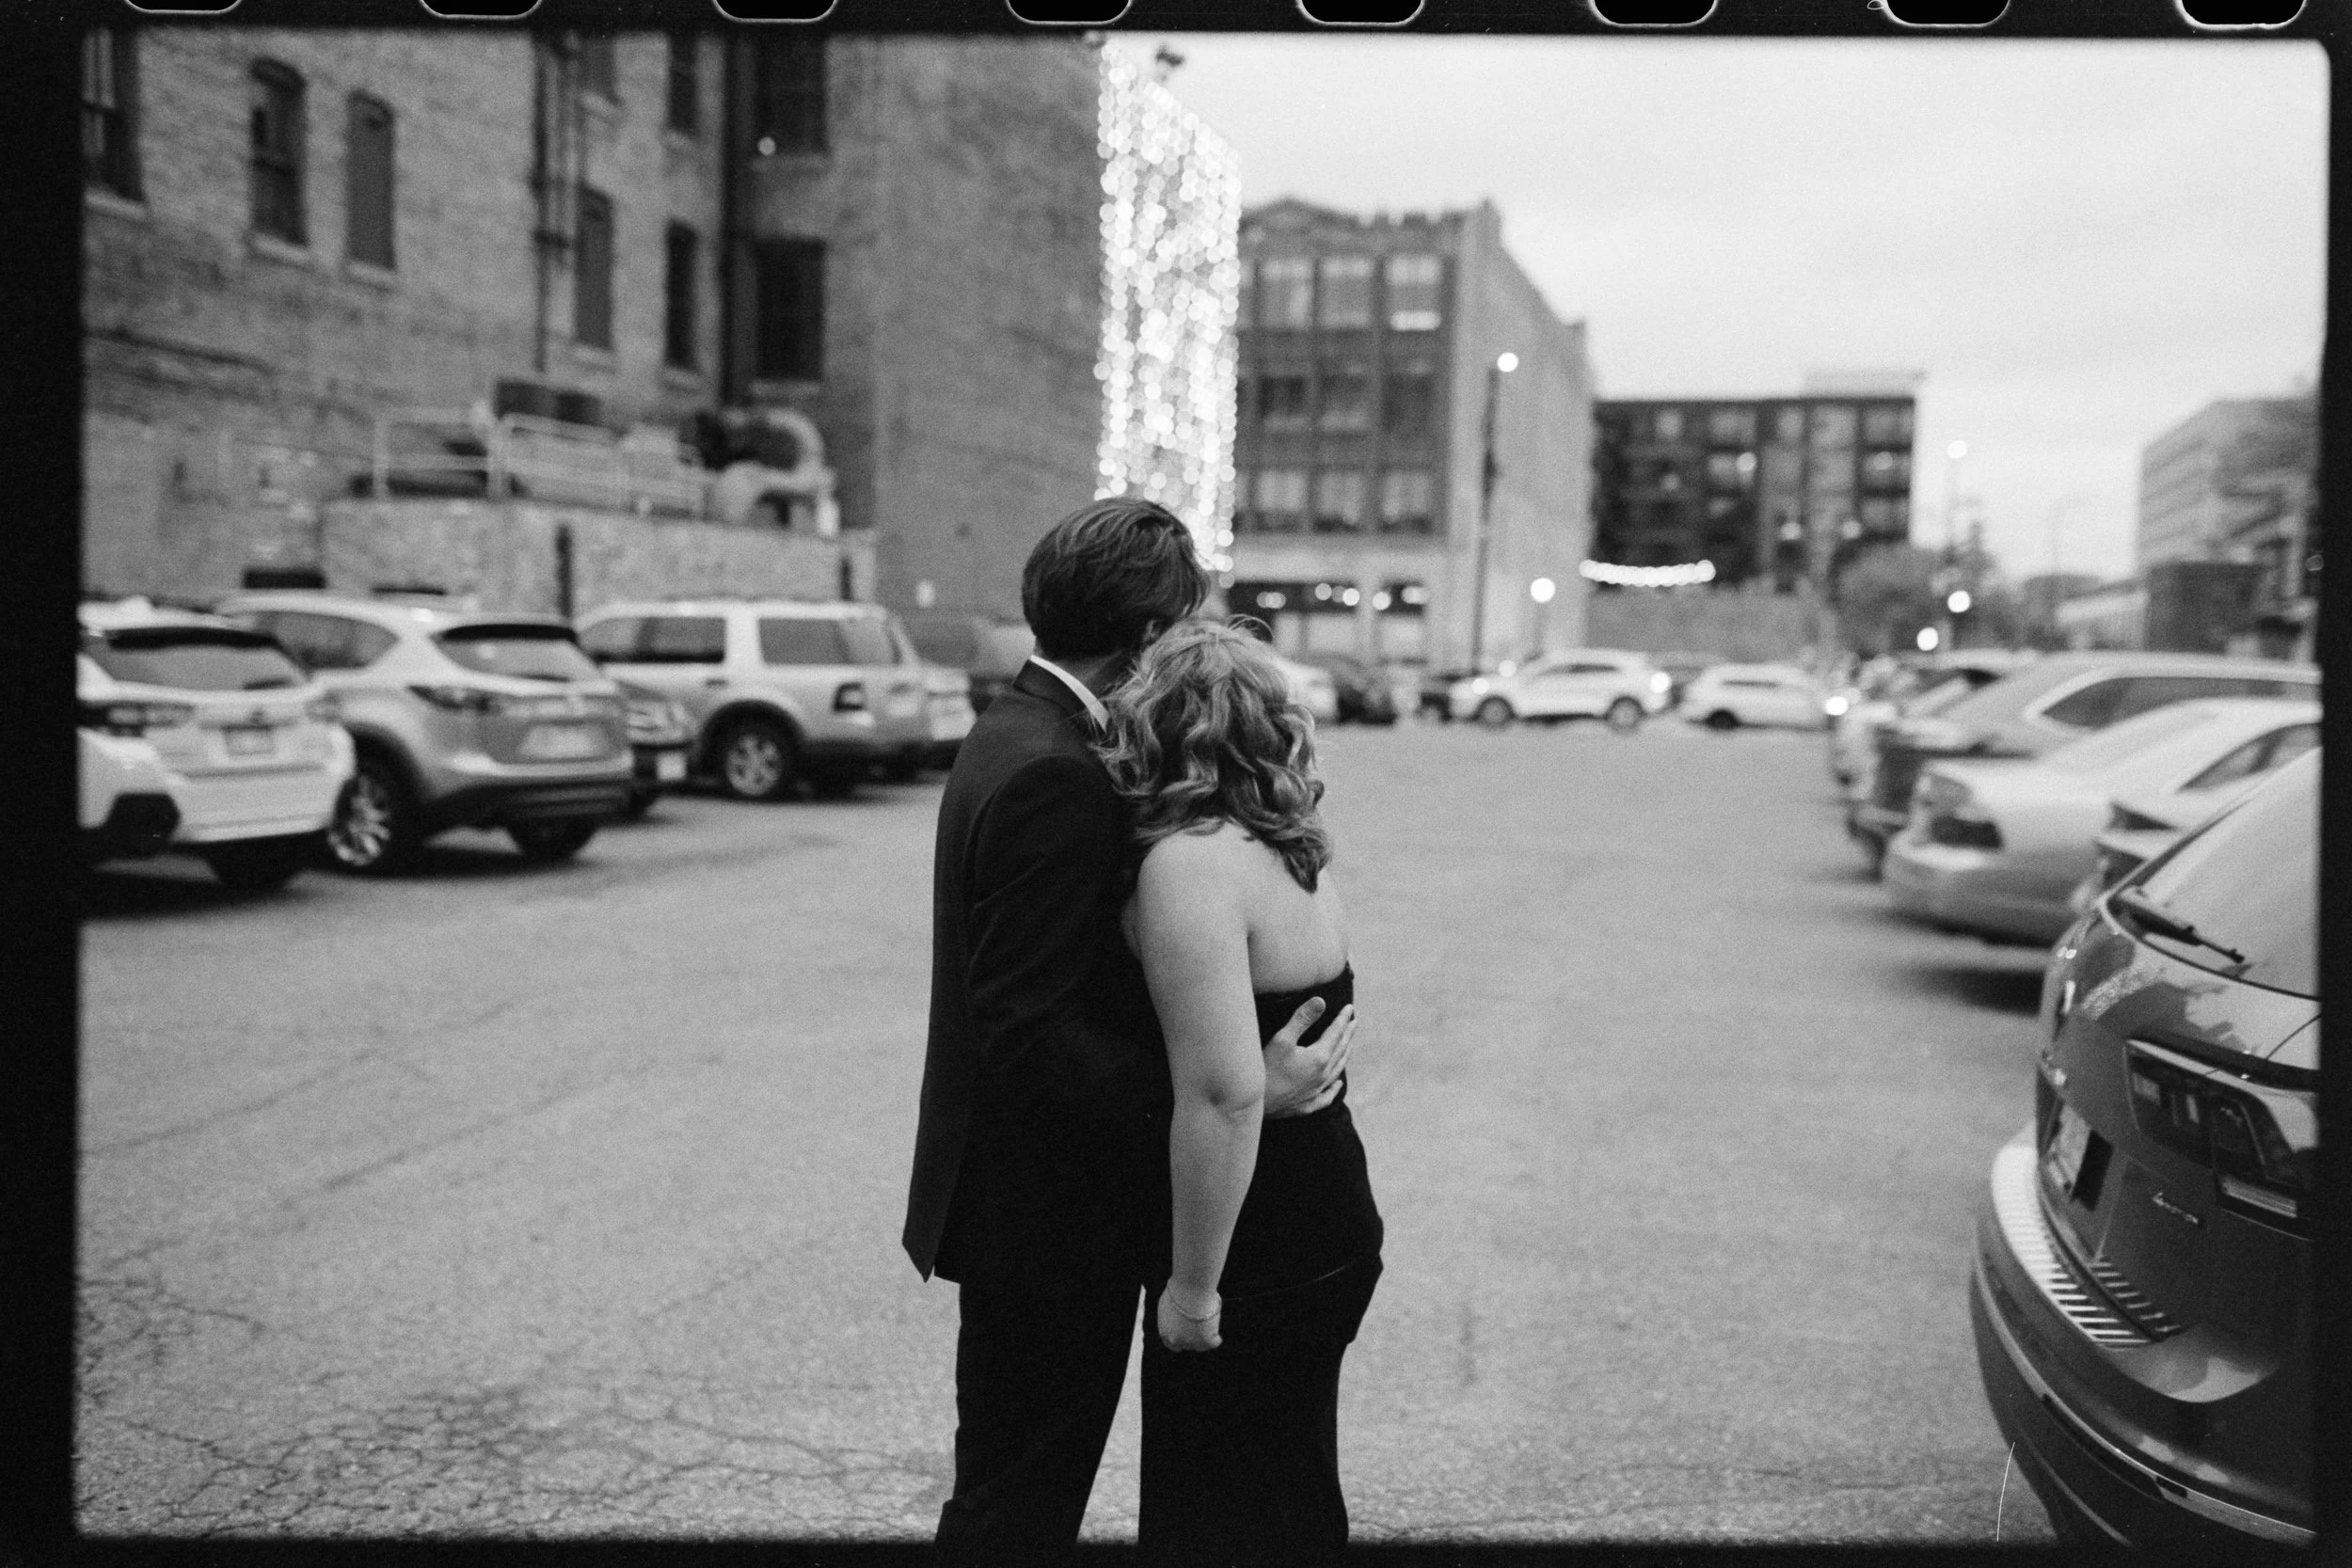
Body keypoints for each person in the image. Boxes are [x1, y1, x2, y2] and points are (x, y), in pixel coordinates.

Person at [903, 499, 1353, 1565]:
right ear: (1150, 636)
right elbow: (1026, 1029)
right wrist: (1240, 1083)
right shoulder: (1057, 769)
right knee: (1017, 1504)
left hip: (1028, 1202)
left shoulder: (1019, 728)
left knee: (1015, 1491)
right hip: (1045, 1220)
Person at [1096, 620, 1385, 1567]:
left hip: (1257, 1243)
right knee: (1291, 1489)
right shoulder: (1289, 845)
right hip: (1329, 1215)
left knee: (1214, 1510)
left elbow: (1222, 1098)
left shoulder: (1189, 862)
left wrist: (1189, 1289)